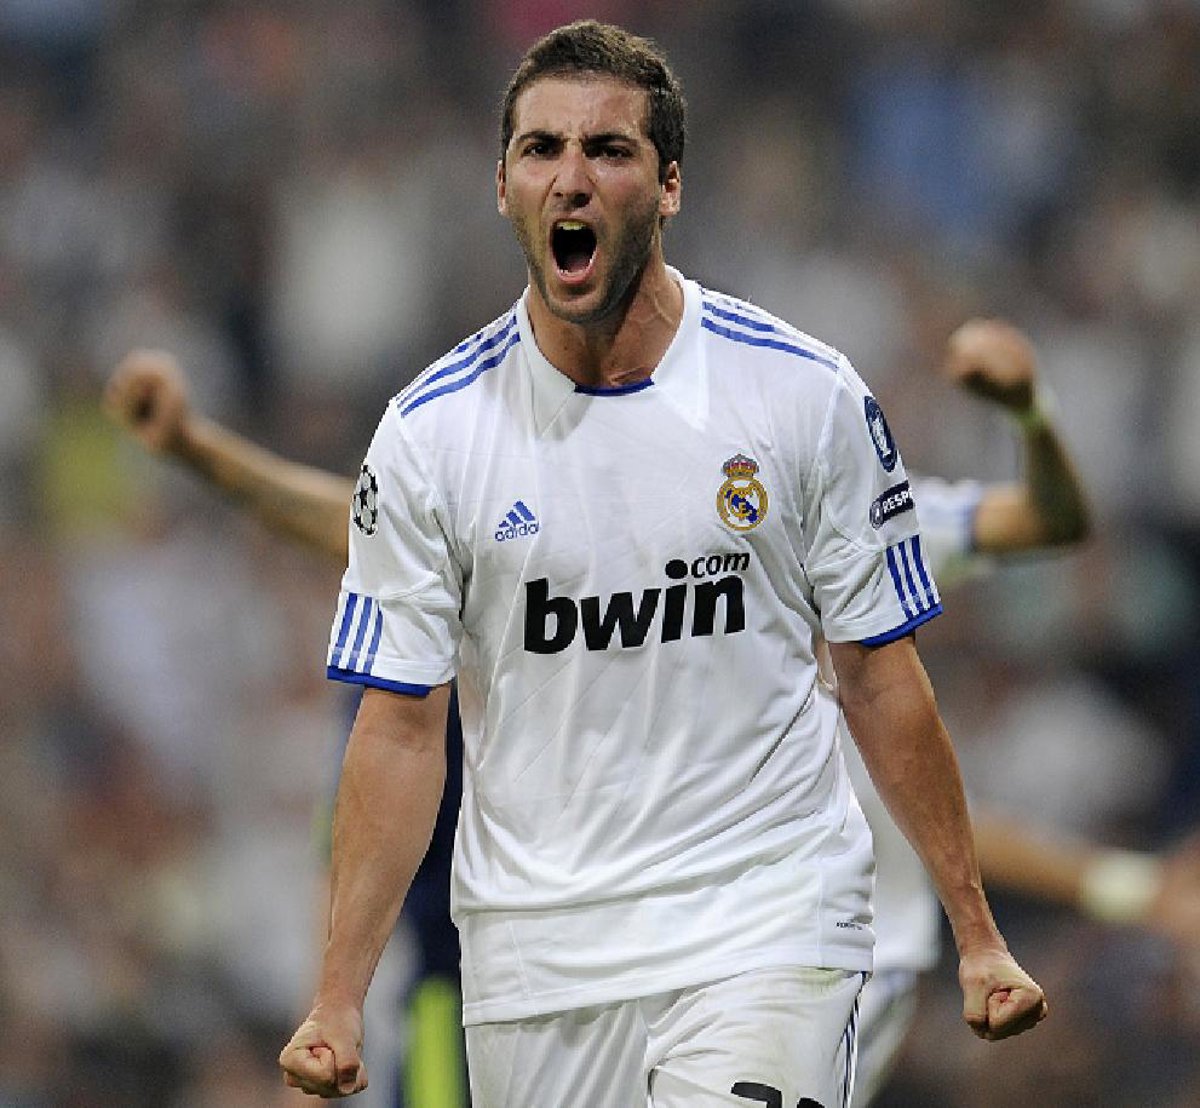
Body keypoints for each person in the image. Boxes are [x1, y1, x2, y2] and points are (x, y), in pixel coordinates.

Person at [106, 321, 1200, 1102]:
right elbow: (359, 528)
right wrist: (198, 450)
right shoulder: (573, 540)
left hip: (787, 964)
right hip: (552, 981)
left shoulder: (833, 519)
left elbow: (1047, 522)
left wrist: (1029, 412)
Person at [261, 20, 1046, 1105]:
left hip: (765, 923)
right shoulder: (429, 437)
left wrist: (977, 930)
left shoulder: (801, 396)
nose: (570, 178)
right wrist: (339, 994)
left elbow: (877, 674)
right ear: (502, 186)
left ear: (669, 185)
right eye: (541, 149)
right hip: (535, 961)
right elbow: (399, 728)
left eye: (609, 150)